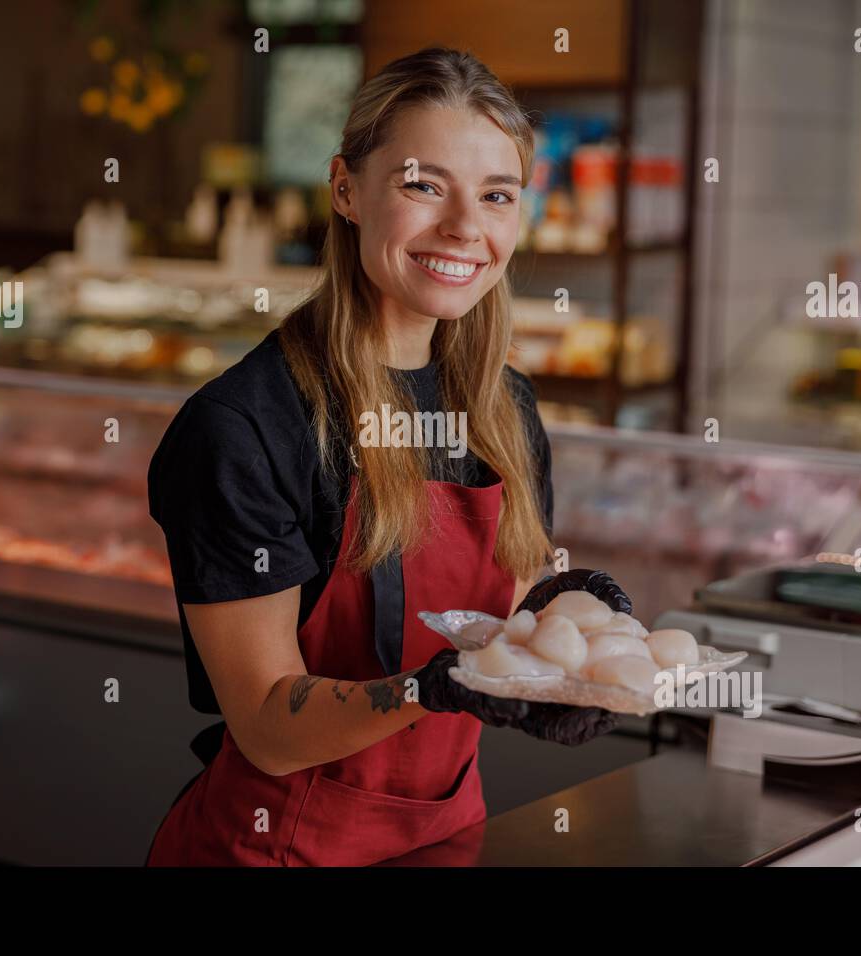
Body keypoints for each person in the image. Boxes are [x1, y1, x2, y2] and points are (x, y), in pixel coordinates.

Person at [145, 47, 630, 867]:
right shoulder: (246, 428)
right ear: (346, 189)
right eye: (422, 184)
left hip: (445, 835)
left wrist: (571, 613)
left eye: (497, 195)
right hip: (274, 847)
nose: (465, 229)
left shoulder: (504, 407)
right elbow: (267, 727)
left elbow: (508, 607)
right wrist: (429, 687)